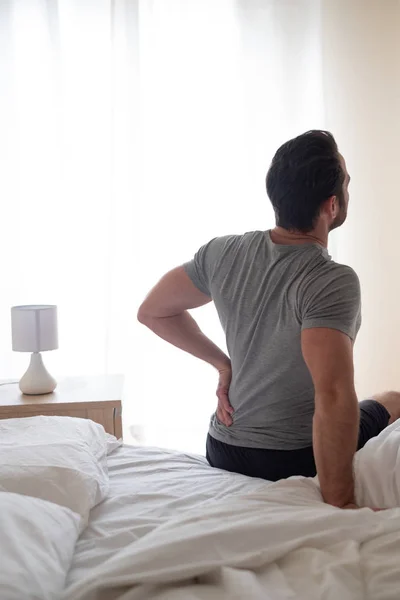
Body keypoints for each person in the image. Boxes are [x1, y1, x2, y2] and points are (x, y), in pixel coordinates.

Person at [137, 130, 400, 510]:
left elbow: (153, 311)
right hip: (289, 456)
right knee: (391, 399)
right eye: (346, 182)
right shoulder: (330, 279)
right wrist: (341, 506)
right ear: (331, 205)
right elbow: (334, 394)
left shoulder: (222, 252)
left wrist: (222, 364)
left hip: (222, 447)